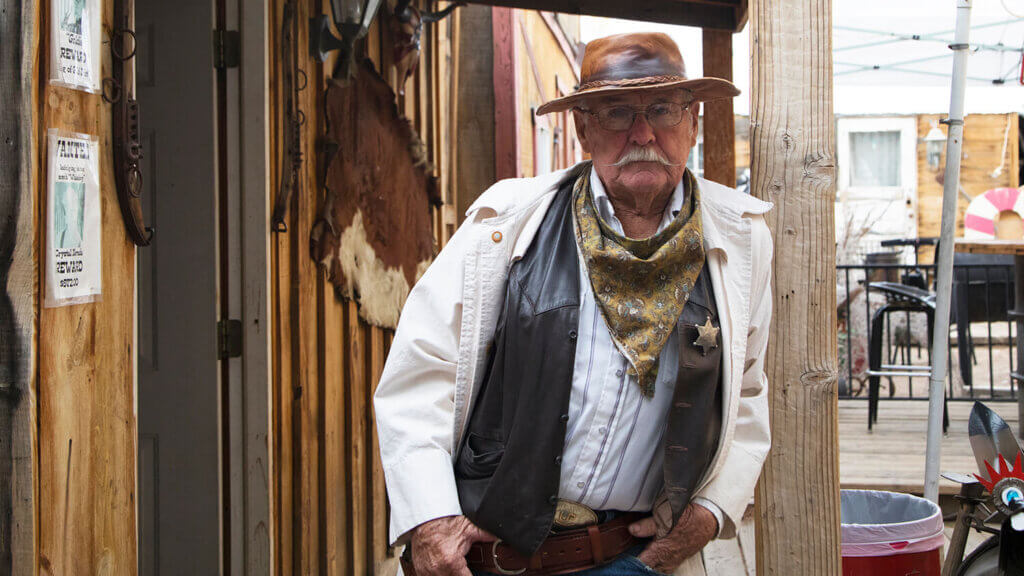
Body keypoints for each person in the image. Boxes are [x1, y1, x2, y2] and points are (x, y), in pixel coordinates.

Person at [375, 32, 773, 576]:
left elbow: (747, 392)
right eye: (615, 113)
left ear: (693, 121)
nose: (642, 132)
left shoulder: (741, 238)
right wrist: (431, 519)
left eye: (662, 108)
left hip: (637, 561)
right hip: (490, 560)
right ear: (583, 128)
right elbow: (421, 374)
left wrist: (706, 514)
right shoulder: (508, 223)